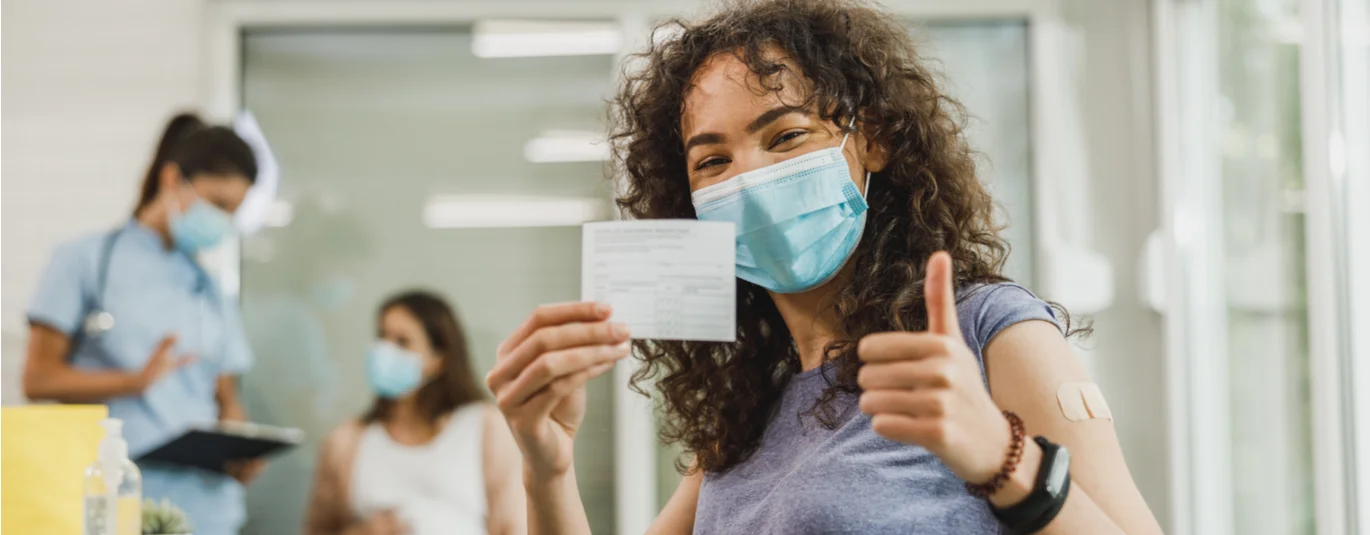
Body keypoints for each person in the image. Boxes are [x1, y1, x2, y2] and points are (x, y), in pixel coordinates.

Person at [485, 1, 1166, 534]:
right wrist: (547, 469)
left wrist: (1001, 458)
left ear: (871, 140)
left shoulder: (989, 332)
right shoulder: (752, 402)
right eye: (713, 160)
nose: (750, 178)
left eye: (785, 136)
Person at [24, 112, 265, 535]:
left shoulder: (210, 288)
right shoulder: (84, 261)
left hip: (209, 508)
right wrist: (132, 381)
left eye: (234, 211)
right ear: (172, 180)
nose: (224, 221)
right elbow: (38, 379)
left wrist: (241, 447)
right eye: (217, 204)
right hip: (116, 499)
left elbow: (226, 397)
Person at [306, 290, 525, 535]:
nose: (385, 351)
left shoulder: (485, 427)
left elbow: (512, 526)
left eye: (402, 342)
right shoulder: (345, 441)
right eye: (382, 336)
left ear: (439, 359)